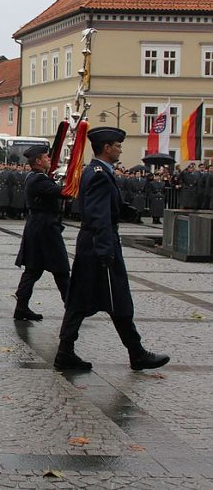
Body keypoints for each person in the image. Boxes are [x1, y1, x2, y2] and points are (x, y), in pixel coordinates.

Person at [54, 127, 169, 371]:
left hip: (93, 245)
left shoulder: (97, 171)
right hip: (100, 247)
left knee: (84, 301)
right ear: (106, 147)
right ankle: (136, 354)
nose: (120, 149)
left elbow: (101, 207)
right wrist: (106, 250)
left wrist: (121, 208)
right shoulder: (98, 174)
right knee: (115, 300)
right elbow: (97, 216)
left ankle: (67, 352)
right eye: (117, 145)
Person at [12, 145, 70, 321]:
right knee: (61, 269)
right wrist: (74, 180)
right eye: (46, 157)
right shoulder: (38, 179)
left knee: (34, 270)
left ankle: (21, 307)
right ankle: (72, 307)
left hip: (39, 227)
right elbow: (63, 193)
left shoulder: (38, 177)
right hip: (45, 229)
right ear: (38, 161)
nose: (49, 160)